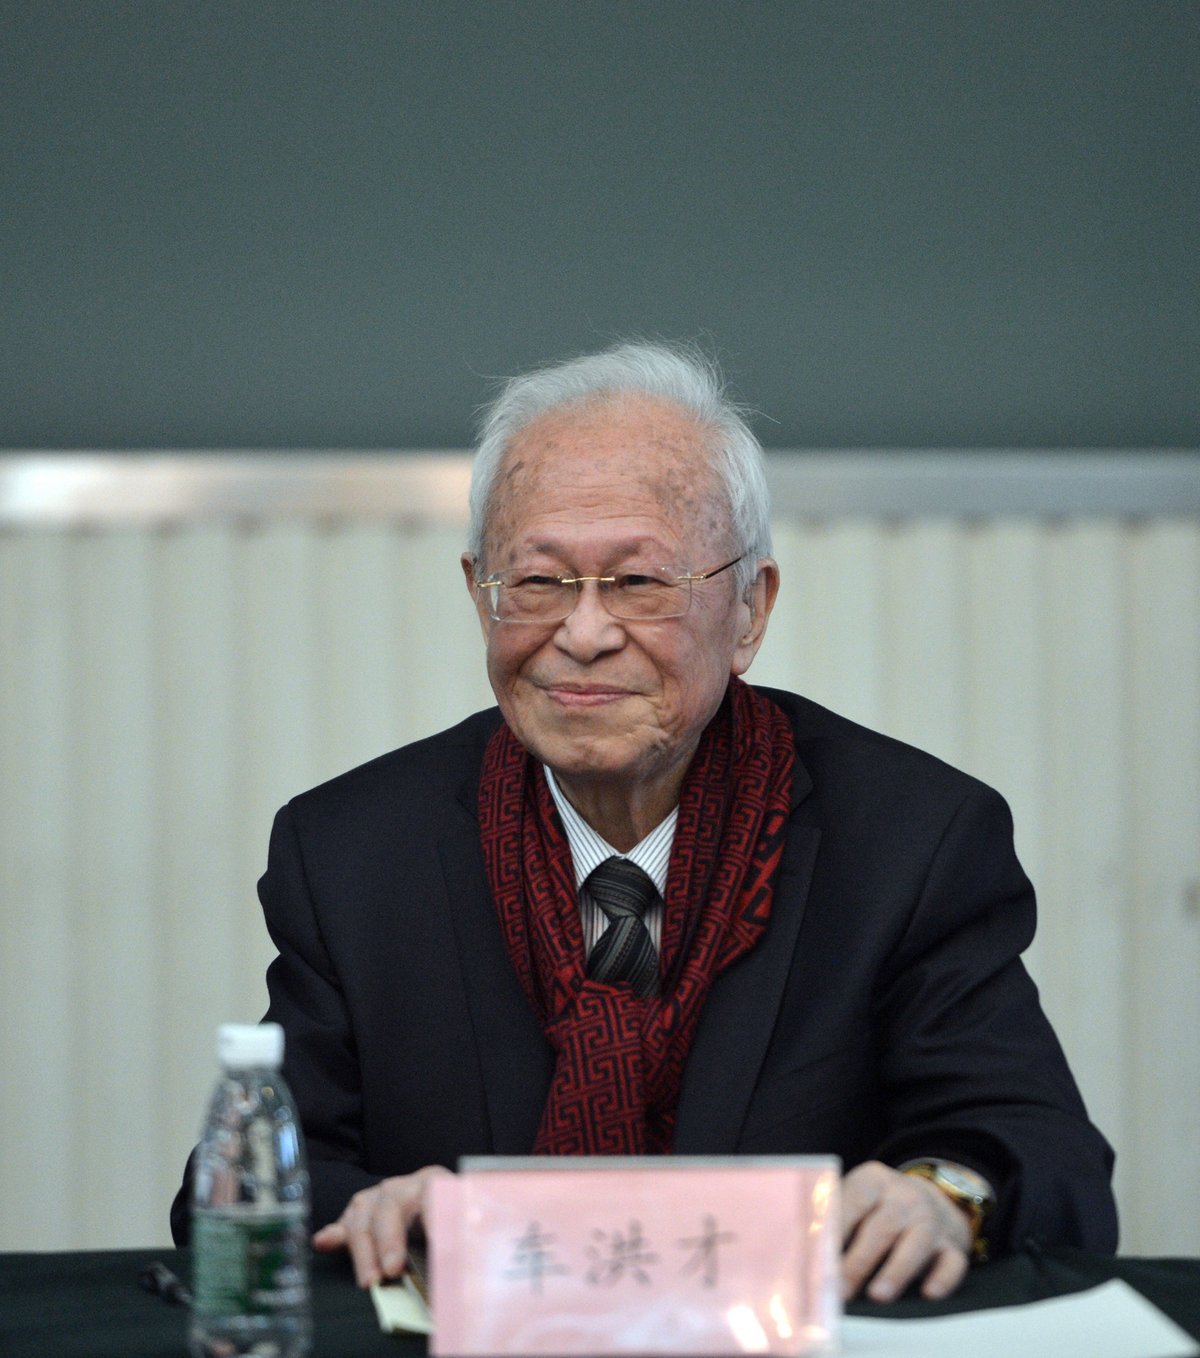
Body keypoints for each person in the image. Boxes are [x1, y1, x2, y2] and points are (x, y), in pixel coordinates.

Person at [171, 341, 1117, 1302]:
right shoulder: (355, 854)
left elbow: (1043, 1156)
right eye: (536, 582)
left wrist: (942, 1196)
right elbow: (235, 1186)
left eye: (639, 583)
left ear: (750, 608)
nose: (583, 634)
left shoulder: (911, 840)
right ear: (478, 596)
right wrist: (370, 1209)